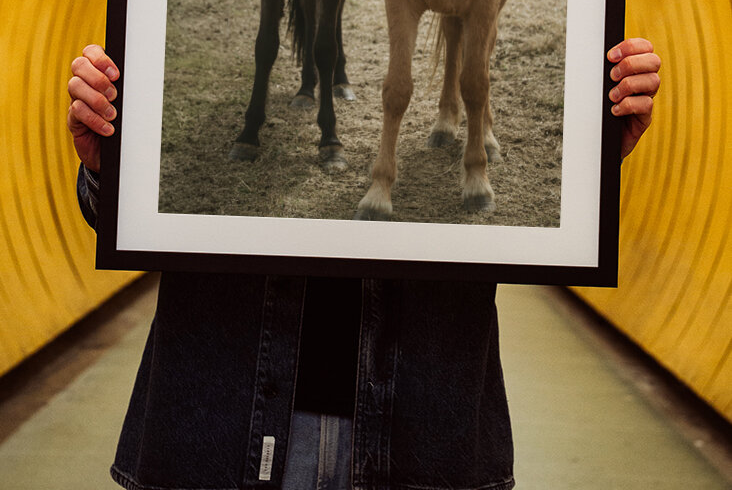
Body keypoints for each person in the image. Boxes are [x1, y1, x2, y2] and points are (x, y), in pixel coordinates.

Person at [68, 38, 661, 490]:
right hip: (219, 426)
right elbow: (139, 209)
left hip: (422, 434)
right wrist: (111, 168)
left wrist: (588, 160)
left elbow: (511, 200)